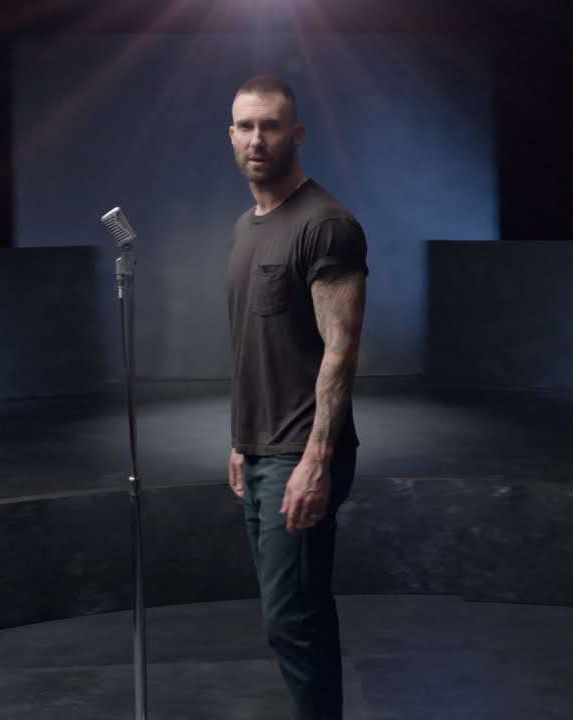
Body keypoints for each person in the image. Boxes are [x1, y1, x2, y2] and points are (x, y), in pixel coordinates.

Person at [224, 74, 368, 720]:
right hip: (261, 448)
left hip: (299, 453)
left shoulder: (326, 225)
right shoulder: (246, 227)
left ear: (296, 134)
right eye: (245, 126)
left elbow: (341, 351)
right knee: (297, 616)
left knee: (291, 622)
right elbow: (258, 346)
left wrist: (316, 460)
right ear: (231, 135)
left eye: (271, 126)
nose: (257, 139)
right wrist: (241, 440)